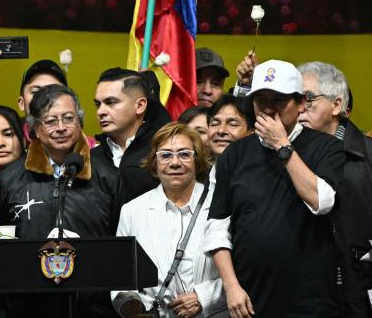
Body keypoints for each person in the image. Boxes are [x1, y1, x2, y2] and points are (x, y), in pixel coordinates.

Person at [203, 60, 344, 317]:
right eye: (260, 101)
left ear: (301, 103)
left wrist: (282, 145)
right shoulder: (234, 155)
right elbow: (217, 228)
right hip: (249, 296)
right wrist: (231, 286)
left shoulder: (325, 146)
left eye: (278, 100)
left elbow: (322, 202)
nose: (268, 109)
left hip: (310, 298)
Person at [0, 84, 120, 317]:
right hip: (29, 309)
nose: (61, 128)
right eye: (51, 121)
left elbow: (119, 247)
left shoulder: (108, 178)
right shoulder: (9, 180)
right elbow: (1, 255)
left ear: (80, 122)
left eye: (68, 118)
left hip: (93, 308)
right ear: (35, 129)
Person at [112, 123, 227, 318]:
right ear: (154, 163)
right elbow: (120, 276)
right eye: (165, 155)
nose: (174, 162)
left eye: (184, 154)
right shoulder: (132, 211)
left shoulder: (221, 204)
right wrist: (131, 305)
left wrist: (204, 297)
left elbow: (247, 270)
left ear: (197, 160)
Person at [297, 61, 372, 316]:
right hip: (301, 293)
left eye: (307, 99)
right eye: (295, 99)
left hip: (360, 291)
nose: (299, 108)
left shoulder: (368, 154)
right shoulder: (286, 154)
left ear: (337, 105)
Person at [92, 67, 170, 203]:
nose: (101, 112)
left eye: (111, 102)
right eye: (98, 104)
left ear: (139, 106)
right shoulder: (90, 158)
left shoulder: (163, 153)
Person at [0, 33, 67, 128]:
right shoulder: (8, 143)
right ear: (22, 103)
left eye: (54, 92)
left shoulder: (80, 144)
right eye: (36, 92)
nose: (44, 99)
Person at [206, 95, 255, 160]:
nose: (221, 131)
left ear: (251, 133)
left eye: (233, 124)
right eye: (215, 124)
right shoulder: (198, 169)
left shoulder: (261, 169)